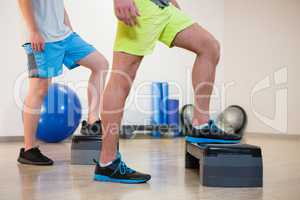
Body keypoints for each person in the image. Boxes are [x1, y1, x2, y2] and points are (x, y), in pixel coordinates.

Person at [94, 0, 231, 184]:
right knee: (122, 76)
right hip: (141, 5)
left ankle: (201, 124)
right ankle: (107, 161)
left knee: (209, 46)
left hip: (164, 5)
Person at [17, 0, 108, 165]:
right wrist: (33, 30)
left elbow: (58, 6)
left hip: (65, 36)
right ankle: (28, 149)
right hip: (41, 37)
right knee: (39, 89)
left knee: (100, 64)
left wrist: (70, 29)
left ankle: (93, 122)